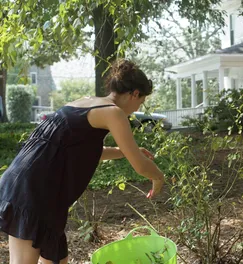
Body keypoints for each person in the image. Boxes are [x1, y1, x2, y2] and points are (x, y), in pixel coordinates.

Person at [0, 59, 165, 264]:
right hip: (33, 190)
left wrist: (126, 151)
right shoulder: (113, 112)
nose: (137, 108)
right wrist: (158, 177)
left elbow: (85, 151)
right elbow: (140, 166)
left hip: (33, 185)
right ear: (134, 94)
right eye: (140, 102)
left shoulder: (86, 102)